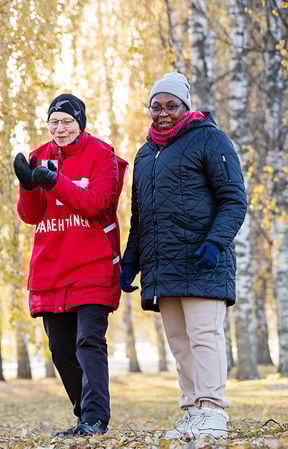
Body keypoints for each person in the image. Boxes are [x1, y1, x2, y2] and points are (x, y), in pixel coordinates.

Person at [120, 72, 247, 440]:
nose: (163, 113)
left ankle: (213, 410)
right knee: (179, 341)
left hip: (203, 258)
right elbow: (140, 217)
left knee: (204, 335)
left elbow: (234, 200)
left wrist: (215, 242)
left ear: (185, 106)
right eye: (156, 107)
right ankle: (192, 411)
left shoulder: (210, 139)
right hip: (163, 265)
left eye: (171, 106)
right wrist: (131, 261)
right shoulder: (146, 154)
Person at [14, 93, 126, 436]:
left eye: (66, 122)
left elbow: (98, 204)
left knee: (88, 342)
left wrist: (56, 183)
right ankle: (83, 417)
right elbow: (31, 215)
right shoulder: (39, 155)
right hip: (51, 268)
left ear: (81, 124)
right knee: (61, 350)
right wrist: (27, 185)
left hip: (92, 265)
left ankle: (95, 418)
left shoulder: (102, 155)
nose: (59, 129)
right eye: (54, 123)